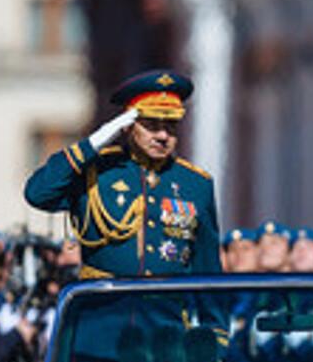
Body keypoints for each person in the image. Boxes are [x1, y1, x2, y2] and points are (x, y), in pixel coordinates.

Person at [23, 69, 221, 278]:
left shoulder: (196, 184)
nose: (163, 135)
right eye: (151, 125)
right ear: (128, 127)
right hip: (105, 307)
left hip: (164, 309)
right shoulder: (97, 170)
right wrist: (91, 145)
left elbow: (207, 270)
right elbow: (37, 193)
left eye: (170, 125)